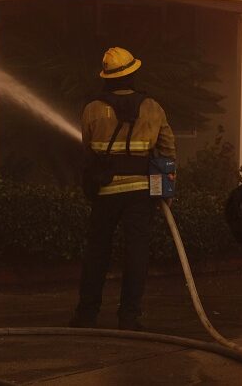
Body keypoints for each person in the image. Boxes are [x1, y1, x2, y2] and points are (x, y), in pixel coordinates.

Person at [70, 46, 175, 330]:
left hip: (105, 192)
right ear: (132, 74)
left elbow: (87, 149)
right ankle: (129, 317)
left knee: (97, 253)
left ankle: (86, 314)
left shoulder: (93, 108)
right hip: (141, 194)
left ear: (107, 77)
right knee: (136, 254)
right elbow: (167, 151)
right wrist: (167, 187)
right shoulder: (152, 107)